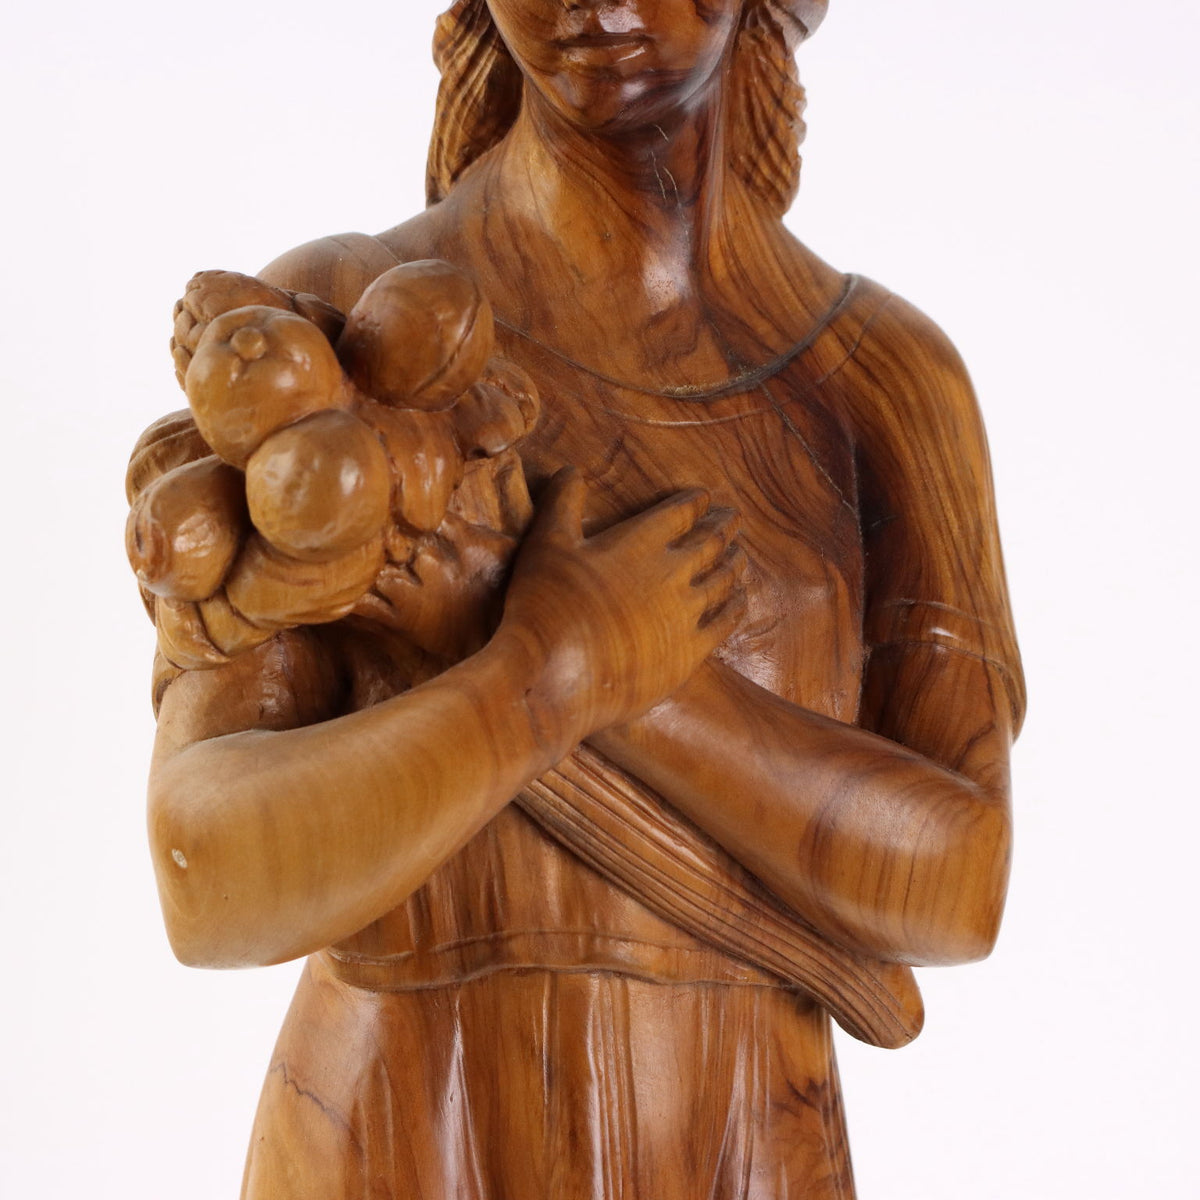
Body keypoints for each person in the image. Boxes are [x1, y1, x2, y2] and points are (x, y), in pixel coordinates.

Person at [143, 1, 1024, 1196]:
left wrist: (643, 687)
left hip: (744, 1142)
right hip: (398, 1131)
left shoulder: (881, 378)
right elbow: (206, 876)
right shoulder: (335, 325)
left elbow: (960, 885)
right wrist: (546, 673)